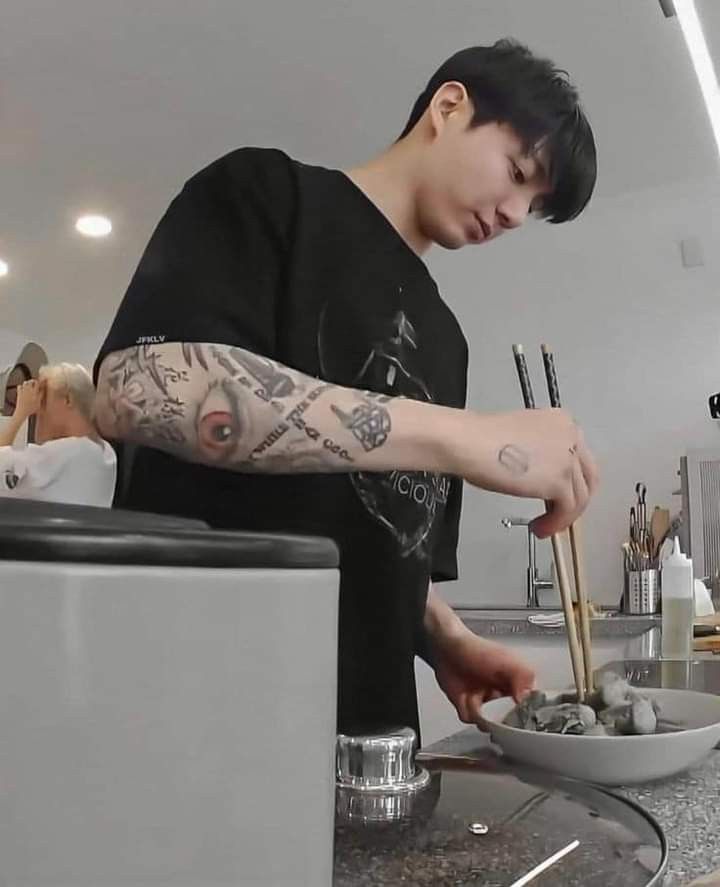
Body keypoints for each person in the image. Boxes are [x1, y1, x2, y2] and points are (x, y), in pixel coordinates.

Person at [94, 39, 599, 740]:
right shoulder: (267, 195)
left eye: (533, 205)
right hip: (192, 715)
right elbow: (131, 388)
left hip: (371, 750)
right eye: (517, 172)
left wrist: (443, 636)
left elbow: (380, 541)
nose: (515, 213)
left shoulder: (446, 340)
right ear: (449, 107)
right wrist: (466, 434)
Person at [0, 363, 117, 507]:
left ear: (67, 400)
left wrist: (20, 414)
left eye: (43, 401)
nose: (37, 412)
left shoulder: (63, 454)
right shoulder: (106, 453)